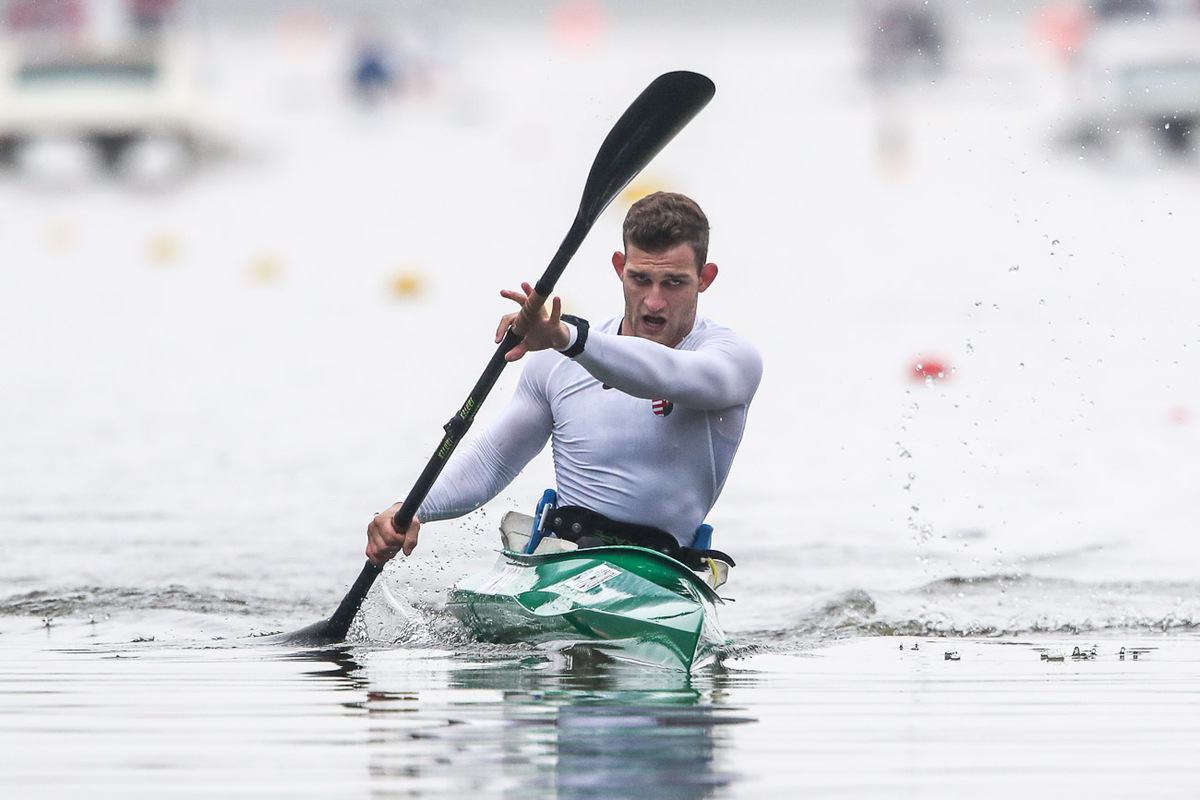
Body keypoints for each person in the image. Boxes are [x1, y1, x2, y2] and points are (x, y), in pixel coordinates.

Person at [366, 192, 763, 564]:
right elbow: (493, 460)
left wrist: (564, 337)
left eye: (674, 282)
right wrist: (409, 508)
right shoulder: (556, 362)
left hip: (662, 571)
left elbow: (665, 373)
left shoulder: (731, 360)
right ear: (619, 268)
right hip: (564, 561)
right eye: (640, 279)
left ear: (705, 277)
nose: (654, 301)